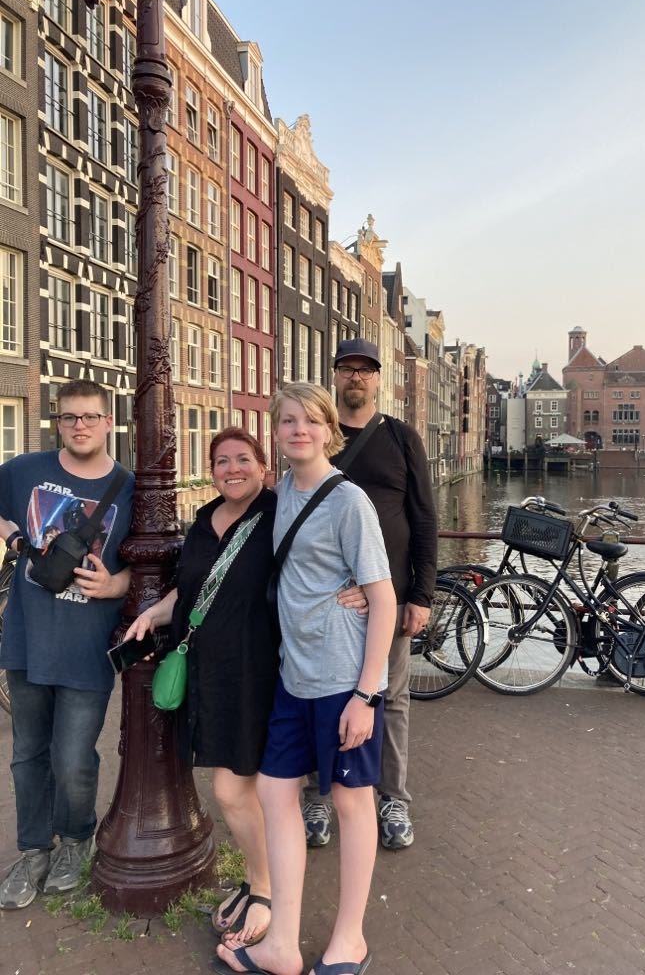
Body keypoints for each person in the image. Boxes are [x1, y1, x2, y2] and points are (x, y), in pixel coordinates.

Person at [123, 427, 366, 952]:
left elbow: (325, 556)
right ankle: (264, 880)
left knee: (234, 790)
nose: (231, 469)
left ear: (263, 467)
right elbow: (192, 589)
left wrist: (360, 590)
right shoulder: (204, 519)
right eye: (221, 461)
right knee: (243, 789)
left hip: (258, 672)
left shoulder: (278, 513)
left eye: (242, 459)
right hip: (210, 675)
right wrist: (152, 613)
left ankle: (266, 888)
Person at [215, 382, 396, 975]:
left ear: (328, 430)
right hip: (294, 676)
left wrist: (367, 694)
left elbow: (383, 600)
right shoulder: (280, 494)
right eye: (288, 420)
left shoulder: (349, 502)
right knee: (274, 792)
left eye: (311, 420)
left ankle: (350, 940)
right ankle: (281, 944)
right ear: (275, 431)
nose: (299, 430)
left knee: (351, 802)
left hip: (342, 679)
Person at [0, 379, 134, 909]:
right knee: (27, 755)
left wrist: (115, 585)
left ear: (108, 422)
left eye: (90, 416)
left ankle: (76, 840)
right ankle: (34, 850)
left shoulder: (129, 488)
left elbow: (151, 567)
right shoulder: (23, 471)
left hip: (85, 648)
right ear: (58, 422)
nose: (80, 426)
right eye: (69, 417)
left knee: (74, 758)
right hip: (26, 641)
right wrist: (13, 536)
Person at [302, 338, 437, 852]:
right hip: (325, 600)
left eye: (365, 369)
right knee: (316, 693)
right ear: (335, 376)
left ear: (378, 379)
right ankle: (318, 795)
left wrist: (421, 595)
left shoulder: (401, 438)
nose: (356, 377)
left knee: (392, 699)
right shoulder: (318, 437)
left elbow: (423, 520)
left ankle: (392, 797)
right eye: (347, 368)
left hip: (390, 597)